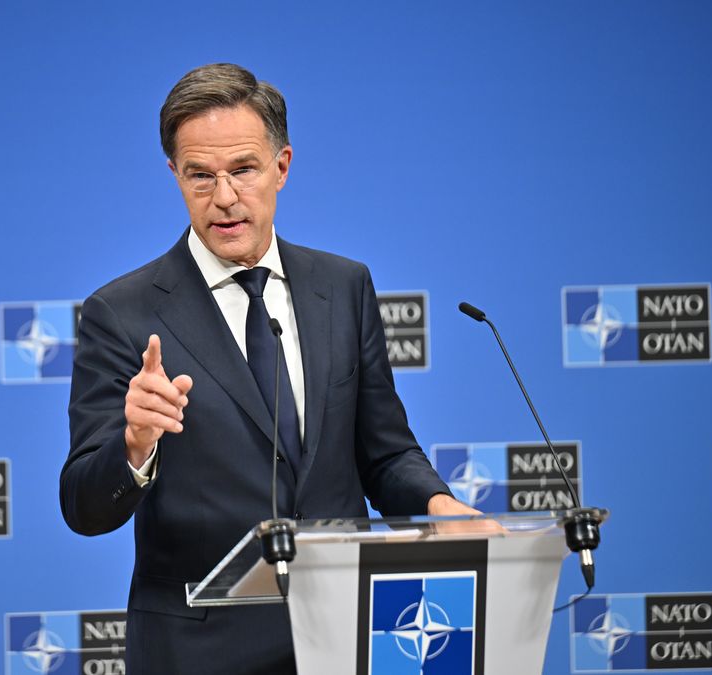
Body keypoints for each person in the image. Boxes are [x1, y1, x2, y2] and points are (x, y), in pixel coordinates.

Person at [60, 63, 476, 674]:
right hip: (200, 650)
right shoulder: (121, 313)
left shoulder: (344, 286)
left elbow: (384, 453)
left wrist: (439, 505)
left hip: (346, 634)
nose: (223, 197)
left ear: (281, 166)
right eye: (200, 175)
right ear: (174, 175)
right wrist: (134, 444)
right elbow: (83, 506)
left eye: (243, 170)